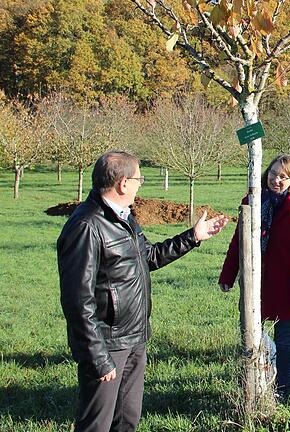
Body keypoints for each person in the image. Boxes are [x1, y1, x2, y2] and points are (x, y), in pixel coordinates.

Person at [58, 150, 228, 432]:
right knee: (96, 426)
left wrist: (193, 237)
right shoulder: (87, 226)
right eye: (139, 179)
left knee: (127, 420)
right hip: (108, 345)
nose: (140, 185)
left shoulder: (124, 218)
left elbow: (148, 257)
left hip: (135, 338)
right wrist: (97, 356)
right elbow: (78, 302)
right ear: (123, 183)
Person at [219, 154, 290, 402]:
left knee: (285, 340)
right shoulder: (252, 203)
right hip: (256, 284)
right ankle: (255, 383)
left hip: (287, 287)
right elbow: (238, 242)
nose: (276, 180)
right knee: (253, 337)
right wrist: (228, 275)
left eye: (283, 176)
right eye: (273, 174)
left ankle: (282, 390)